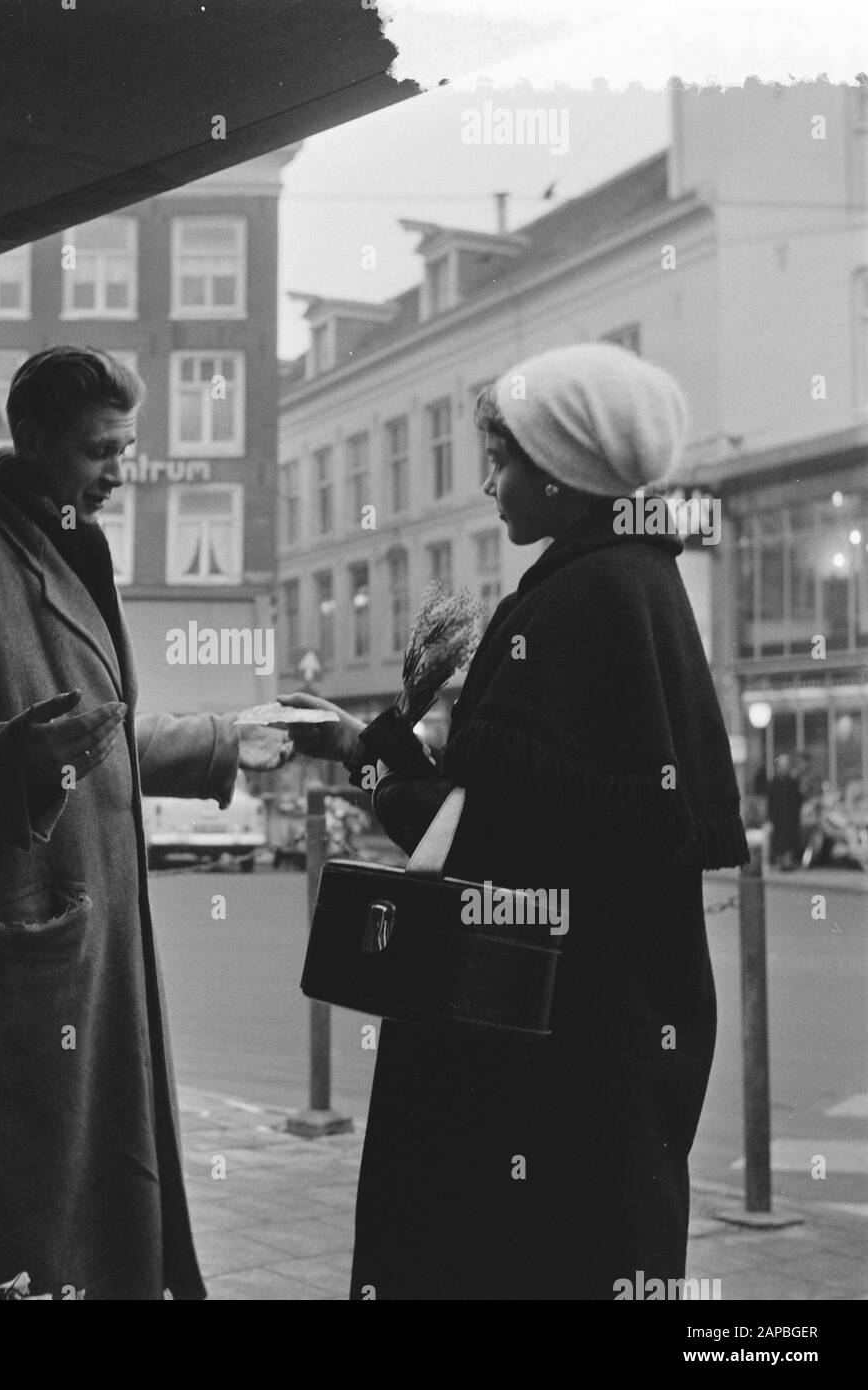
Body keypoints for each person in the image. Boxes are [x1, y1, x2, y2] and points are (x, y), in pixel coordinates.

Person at [285, 342, 749, 1299]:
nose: (488, 482)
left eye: (502, 459)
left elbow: (475, 843)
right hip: (609, 1028)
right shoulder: (638, 579)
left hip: (536, 1042)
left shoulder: (583, 598)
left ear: (562, 469)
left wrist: (357, 754)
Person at [0, 346, 290, 1300]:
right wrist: (13, 757)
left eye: (127, 449)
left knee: (93, 1202)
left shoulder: (56, 553)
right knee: (16, 1208)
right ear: (33, 440)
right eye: (100, 452)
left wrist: (222, 740)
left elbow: (93, 731)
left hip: (73, 958)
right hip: (8, 972)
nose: (119, 475)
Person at [766, 753, 804, 871]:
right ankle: (780, 861)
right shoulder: (773, 783)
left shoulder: (793, 783)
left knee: (789, 840)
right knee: (779, 840)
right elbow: (770, 803)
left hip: (790, 818)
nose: (784, 768)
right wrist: (769, 819)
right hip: (777, 818)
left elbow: (798, 800)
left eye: (786, 766)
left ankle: (787, 861)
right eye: (782, 766)